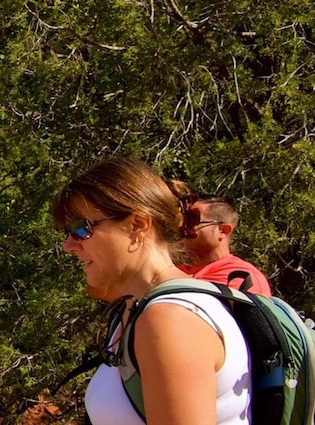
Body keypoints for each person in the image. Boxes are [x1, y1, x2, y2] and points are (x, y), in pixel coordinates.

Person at [55, 158, 250, 425]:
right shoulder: (134, 311)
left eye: (81, 228)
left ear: (137, 225)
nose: (68, 245)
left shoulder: (171, 319)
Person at [167, 181, 273, 296]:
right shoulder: (177, 270)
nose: (182, 226)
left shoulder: (242, 276)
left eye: (192, 220)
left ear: (223, 231)